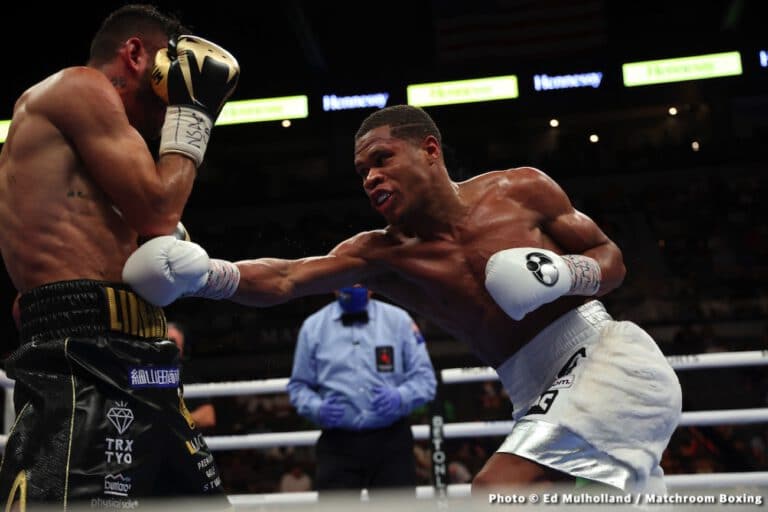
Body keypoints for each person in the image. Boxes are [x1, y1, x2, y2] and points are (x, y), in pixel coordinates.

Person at [124, 104, 683, 495]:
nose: (370, 177)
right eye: (362, 170)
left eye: (383, 159)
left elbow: (612, 259)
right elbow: (288, 278)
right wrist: (205, 275)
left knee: (496, 491)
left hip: (604, 355)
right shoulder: (383, 254)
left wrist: (565, 273)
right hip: (534, 390)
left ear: (430, 150)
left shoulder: (522, 189)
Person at [0, 4, 239, 508]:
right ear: (136, 55)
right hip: (84, 359)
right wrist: (191, 114)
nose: (167, 104)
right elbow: (159, 206)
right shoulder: (79, 88)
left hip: (149, 355)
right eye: (169, 78)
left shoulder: (107, 151)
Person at [287, 286, 436, 494]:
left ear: (372, 286)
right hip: (337, 444)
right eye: (345, 279)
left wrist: (401, 397)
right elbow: (298, 386)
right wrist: (316, 408)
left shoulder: (399, 321)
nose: (352, 285)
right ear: (333, 286)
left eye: (358, 280)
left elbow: (426, 380)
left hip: (391, 442)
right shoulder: (313, 327)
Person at [168, 321, 217, 430]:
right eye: (164, 342)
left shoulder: (188, 376)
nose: (169, 348)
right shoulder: (140, 372)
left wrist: (172, 420)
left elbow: (208, 416)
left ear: (181, 349)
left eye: (173, 342)